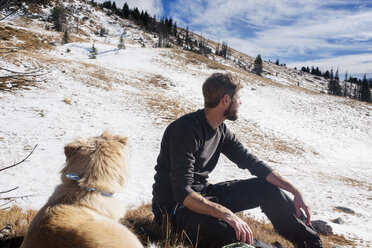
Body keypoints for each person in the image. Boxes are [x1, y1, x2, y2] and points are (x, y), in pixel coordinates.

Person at [152, 73, 323, 248]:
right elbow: (182, 193)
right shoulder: (186, 130)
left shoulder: (221, 130)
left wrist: (295, 191)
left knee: (266, 188)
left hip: (203, 195)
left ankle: (312, 244)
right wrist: (225, 213)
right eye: (238, 98)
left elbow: (253, 163)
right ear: (226, 100)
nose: (240, 103)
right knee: (232, 232)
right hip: (175, 211)